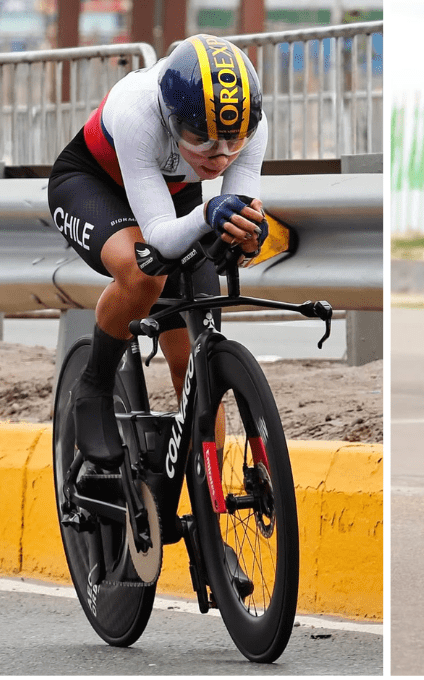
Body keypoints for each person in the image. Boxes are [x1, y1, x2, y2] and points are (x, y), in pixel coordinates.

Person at [47, 34, 269, 472]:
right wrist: (211, 214)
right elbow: (162, 240)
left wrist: (246, 237)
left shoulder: (253, 124)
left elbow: (238, 217)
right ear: (170, 117)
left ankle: (209, 510)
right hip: (93, 185)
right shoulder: (138, 112)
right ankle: (94, 384)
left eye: (233, 140)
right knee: (144, 272)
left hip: (175, 199)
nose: (221, 156)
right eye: (201, 139)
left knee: (197, 354)